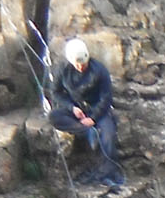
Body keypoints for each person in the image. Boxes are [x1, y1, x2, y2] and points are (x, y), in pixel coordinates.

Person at [50, 38, 122, 186]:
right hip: (77, 110)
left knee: (108, 134)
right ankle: (87, 131)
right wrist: (72, 107)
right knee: (54, 116)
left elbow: (106, 98)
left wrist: (93, 118)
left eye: (83, 63)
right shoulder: (63, 70)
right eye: (77, 64)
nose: (80, 67)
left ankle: (107, 171)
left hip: (97, 109)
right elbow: (56, 92)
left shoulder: (99, 70)